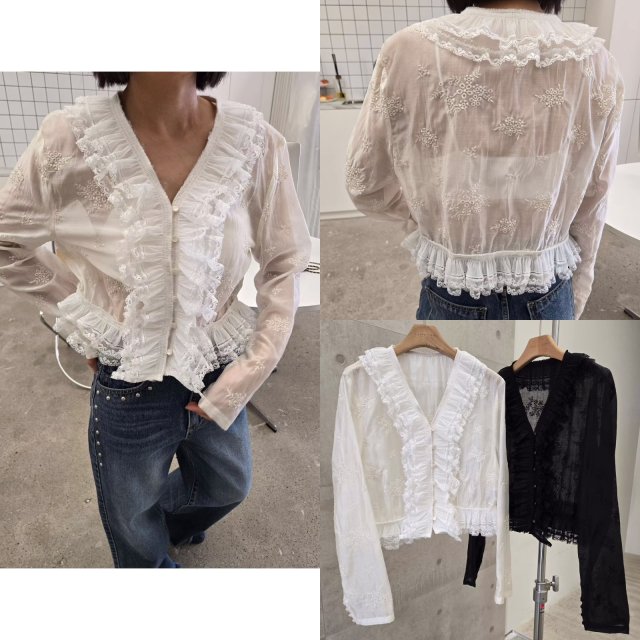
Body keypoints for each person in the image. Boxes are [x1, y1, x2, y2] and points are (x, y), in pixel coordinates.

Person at [0, 72, 312, 567]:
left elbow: (284, 260)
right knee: (130, 519)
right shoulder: (69, 138)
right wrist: (85, 321)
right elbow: (7, 240)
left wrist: (252, 369)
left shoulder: (255, 141)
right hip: (129, 384)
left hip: (218, 366)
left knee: (227, 485)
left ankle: (164, 526)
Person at [345, 0, 624, 319]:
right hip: (549, 287)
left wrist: (433, 218)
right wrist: (581, 286)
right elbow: (595, 197)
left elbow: (363, 183)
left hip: (454, 289)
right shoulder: (598, 62)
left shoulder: (405, 51)